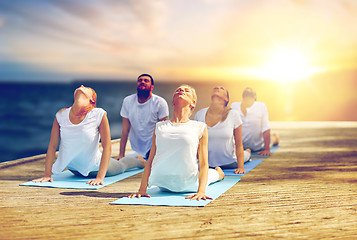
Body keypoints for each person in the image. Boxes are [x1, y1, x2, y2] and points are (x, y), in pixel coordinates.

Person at [33, 85, 145, 186]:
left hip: (95, 168)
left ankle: (140, 161)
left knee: (121, 166)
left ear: (92, 100)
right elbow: (52, 146)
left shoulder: (98, 114)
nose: (81, 86)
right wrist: (47, 175)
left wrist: (100, 177)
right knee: (112, 160)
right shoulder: (61, 115)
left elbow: (107, 146)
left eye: (87, 88)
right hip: (73, 169)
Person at [128, 85, 224, 200]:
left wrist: (201, 191)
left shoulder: (199, 127)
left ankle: (219, 172)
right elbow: (150, 160)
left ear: (192, 103)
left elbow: (203, 163)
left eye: (186, 91)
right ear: (173, 102)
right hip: (163, 184)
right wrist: (142, 190)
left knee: (213, 175)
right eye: (178, 90)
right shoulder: (159, 126)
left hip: (190, 184)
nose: (181, 91)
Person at [194, 86, 251, 174]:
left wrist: (241, 167)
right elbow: (196, 144)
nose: (217, 87)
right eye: (216, 88)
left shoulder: (233, 115)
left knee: (246, 155)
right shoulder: (200, 114)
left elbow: (239, 144)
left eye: (222, 88)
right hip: (209, 165)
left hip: (231, 162)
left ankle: (248, 151)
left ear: (226, 98)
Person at [118, 74, 169, 163]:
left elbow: (163, 131)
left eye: (146, 81)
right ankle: (139, 158)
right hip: (135, 149)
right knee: (124, 162)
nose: (142, 82)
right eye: (140, 80)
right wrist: (121, 154)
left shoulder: (160, 102)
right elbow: (125, 130)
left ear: (152, 87)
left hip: (153, 146)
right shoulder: (128, 101)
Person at [231, 87, 279, 156]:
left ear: (254, 98)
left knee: (272, 141)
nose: (248, 98)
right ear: (243, 96)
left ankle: (275, 137)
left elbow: (266, 128)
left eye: (250, 96)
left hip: (258, 146)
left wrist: (266, 149)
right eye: (246, 95)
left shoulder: (261, 106)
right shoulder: (234, 106)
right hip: (240, 147)